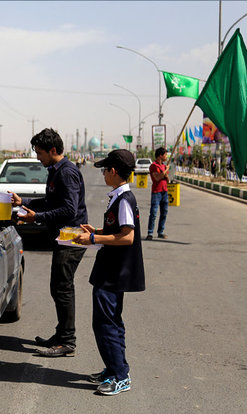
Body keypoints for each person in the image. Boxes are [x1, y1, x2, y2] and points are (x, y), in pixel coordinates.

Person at [9, 128, 88, 357]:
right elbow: (51, 200)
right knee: (58, 287)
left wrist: (37, 217)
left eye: (40, 153)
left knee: (63, 288)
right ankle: (61, 334)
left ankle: (67, 341)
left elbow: (69, 209)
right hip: (62, 236)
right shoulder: (55, 171)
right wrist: (23, 201)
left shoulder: (67, 173)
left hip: (72, 237)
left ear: (53, 150)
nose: (38, 157)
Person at [73, 149, 145, 396]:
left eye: (105, 170)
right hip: (111, 270)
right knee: (110, 321)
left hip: (114, 273)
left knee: (106, 324)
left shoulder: (124, 199)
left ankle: (121, 377)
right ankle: (114, 368)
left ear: (114, 172)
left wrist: (93, 238)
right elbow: (119, 228)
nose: (103, 173)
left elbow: (128, 236)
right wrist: (99, 231)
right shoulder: (120, 197)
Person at [146, 147, 169, 240]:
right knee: (154, 213)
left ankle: (161, 231)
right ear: (160, 155)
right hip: (156, 192)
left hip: (164, 191)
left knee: (164, 213)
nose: (166, 156)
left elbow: (167, 179)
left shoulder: (164, 166)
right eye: (165, 155)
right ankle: (150, 232)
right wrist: (165, 171)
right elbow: (157, 178)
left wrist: (166, 174)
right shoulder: (154, 166)